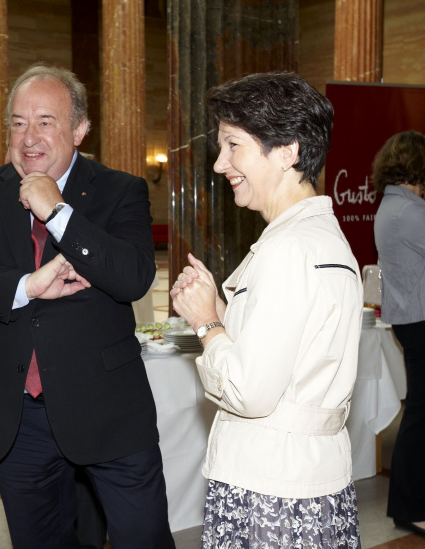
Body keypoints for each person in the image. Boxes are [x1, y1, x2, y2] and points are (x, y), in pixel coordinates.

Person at [0, 63, 174, 548]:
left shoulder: (120, 190)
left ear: (79, 129)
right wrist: (26, 286)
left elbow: (132, 277)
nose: (28, 136)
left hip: (107, 407)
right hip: (17, 415)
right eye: (18, 122)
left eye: (45, 121)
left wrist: (56, 212)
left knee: (142, 538)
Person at [170, 72, 362, 548]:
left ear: (287, 151)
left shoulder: (287, 249)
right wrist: (223, 310)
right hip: (314, 474)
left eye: (233, 145)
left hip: (270, 484)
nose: (220, 164)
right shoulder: (322, 237)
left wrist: (208, 323)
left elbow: (251, 391)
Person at [372, 130, 425, 540]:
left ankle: (411, 499)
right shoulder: (412, 211)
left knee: (424, 413)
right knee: (422, 415)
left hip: (413, 320)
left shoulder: (393, 205)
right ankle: (409, 507)